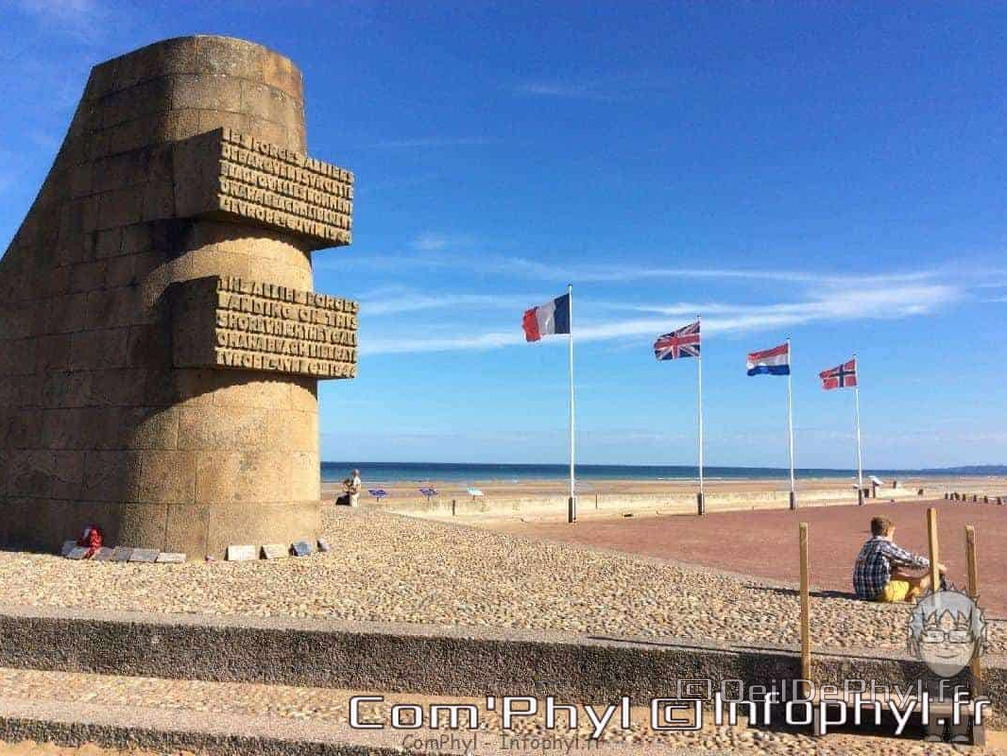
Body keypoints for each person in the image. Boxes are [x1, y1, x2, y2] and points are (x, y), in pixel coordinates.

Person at [853, 515, 946, 603]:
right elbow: (911, 560)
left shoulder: (867, 546)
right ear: (887, 532)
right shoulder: (884, 546)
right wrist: (935, 565)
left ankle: (913, 586)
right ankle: (920, 582)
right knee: (915, 585)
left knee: (893, 569)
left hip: (862, 593)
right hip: (881, 593)